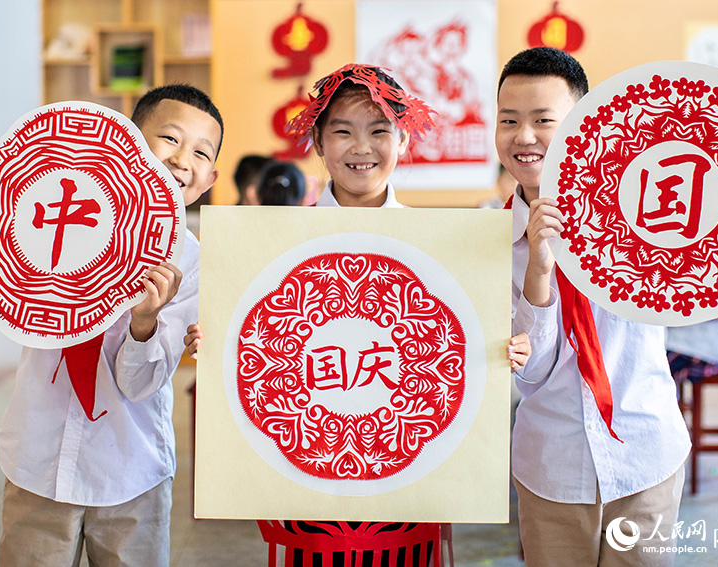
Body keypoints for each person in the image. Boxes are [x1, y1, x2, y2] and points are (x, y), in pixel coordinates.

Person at [183, 63, 530, 567]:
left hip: (411, 486)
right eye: (342, 131)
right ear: (319, 144)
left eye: (379, 131)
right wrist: (217, 338)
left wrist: (503, 347)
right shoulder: (271, 248)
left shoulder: (447, 247)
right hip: (305, 489)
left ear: (404, 140)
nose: (361, 147)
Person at [0, 83, 222, 567]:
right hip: (37, 459)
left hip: (132, 470)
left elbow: (140, 385)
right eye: (170, 139)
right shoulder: (58, 215)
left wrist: (145, 320)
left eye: (201, 152)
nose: (182, 160)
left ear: (209, 178)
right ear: (127, 142)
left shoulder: (187, 261)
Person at [499, 47, 693, 566]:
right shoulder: (488, 247)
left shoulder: (642, 212)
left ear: (583, 125)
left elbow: (700, 288)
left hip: (645, 453)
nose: (524, 137)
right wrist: (539, 269)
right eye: (509, 121)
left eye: (544, 120)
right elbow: (530, 374)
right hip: (551, 469)